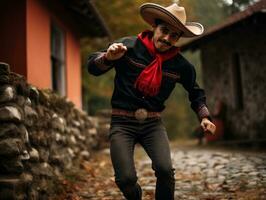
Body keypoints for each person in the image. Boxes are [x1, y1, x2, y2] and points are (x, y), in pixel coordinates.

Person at [87, 2, 216, 200]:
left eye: (174, 35)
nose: (167, 38)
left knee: (165, 170)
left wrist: (204, 117)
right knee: (125, 179)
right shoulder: (127, 47)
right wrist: (108, 57)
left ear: (178, 38)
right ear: (154, 27)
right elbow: (93, 67)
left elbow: (195, 92)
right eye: (164, 30)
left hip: (152, 124)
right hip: (122, 123)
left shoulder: (181, 66)